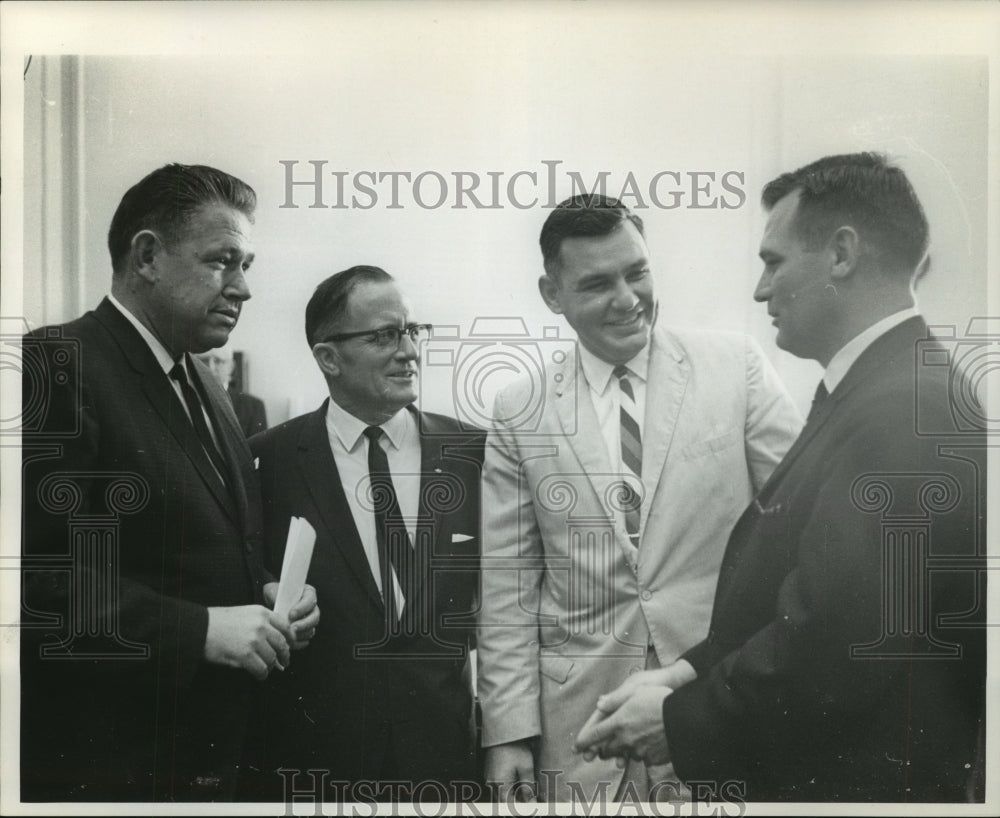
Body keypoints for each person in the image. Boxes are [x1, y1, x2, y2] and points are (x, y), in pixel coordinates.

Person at [575, 153, 987, 802]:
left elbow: (836, 644)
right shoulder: (879, 387)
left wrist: (680, 720)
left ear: (841, 255)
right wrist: (684, 674)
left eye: (773, 261)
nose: (760, 290)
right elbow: (801, 585)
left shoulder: (903, 407)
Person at [476, 194, 803, 803]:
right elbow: (508, 587)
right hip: (582, 729)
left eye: (638, 272)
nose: (627, 299)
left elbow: (800, 530)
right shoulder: (518, 408)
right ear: (552, 294)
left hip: (718, 704)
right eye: (598, 283)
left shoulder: (736, 367)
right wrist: (508, 733)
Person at [20, 163, 319, 802]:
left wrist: (268, 593)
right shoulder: (59, 363)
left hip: (212, 754)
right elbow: (34, 579)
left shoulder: (208, 385)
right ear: (148, 256)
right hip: (110, 765)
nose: (242, 288)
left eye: (248, 266)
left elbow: (204, 548)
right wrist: (203, 631)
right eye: (223, 261)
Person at [250, 266, 484, 801]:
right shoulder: (270, 460)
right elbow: (244, 575)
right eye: (383, 336)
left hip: (445, 759)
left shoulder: (473, 454)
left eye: (411, 330)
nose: (408, 350)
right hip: (317, 764)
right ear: (328, 357)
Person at [196, 342, 268, 436]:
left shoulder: (253, 408)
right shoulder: (185, 399)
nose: (210, 367)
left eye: (218, 361)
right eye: (204, 361)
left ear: (230, 367)